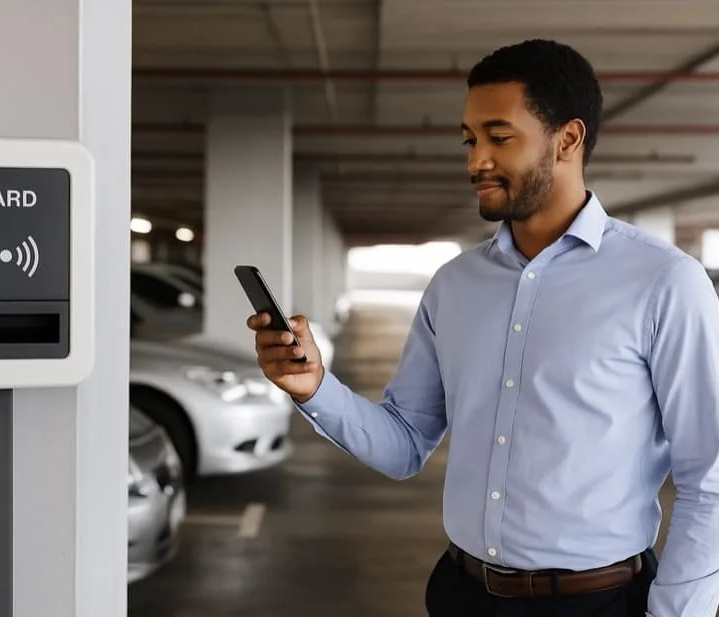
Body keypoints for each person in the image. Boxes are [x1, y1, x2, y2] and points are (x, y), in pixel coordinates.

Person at [246, 39, 719, 617]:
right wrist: (316, 388)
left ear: (567, 139)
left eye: (500, 138)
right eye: (471, 140)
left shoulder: (665, 281)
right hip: (461, 594)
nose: (476, 161)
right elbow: (402, 445)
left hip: (596, 604)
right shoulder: (454, 285)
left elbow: (709, 477)